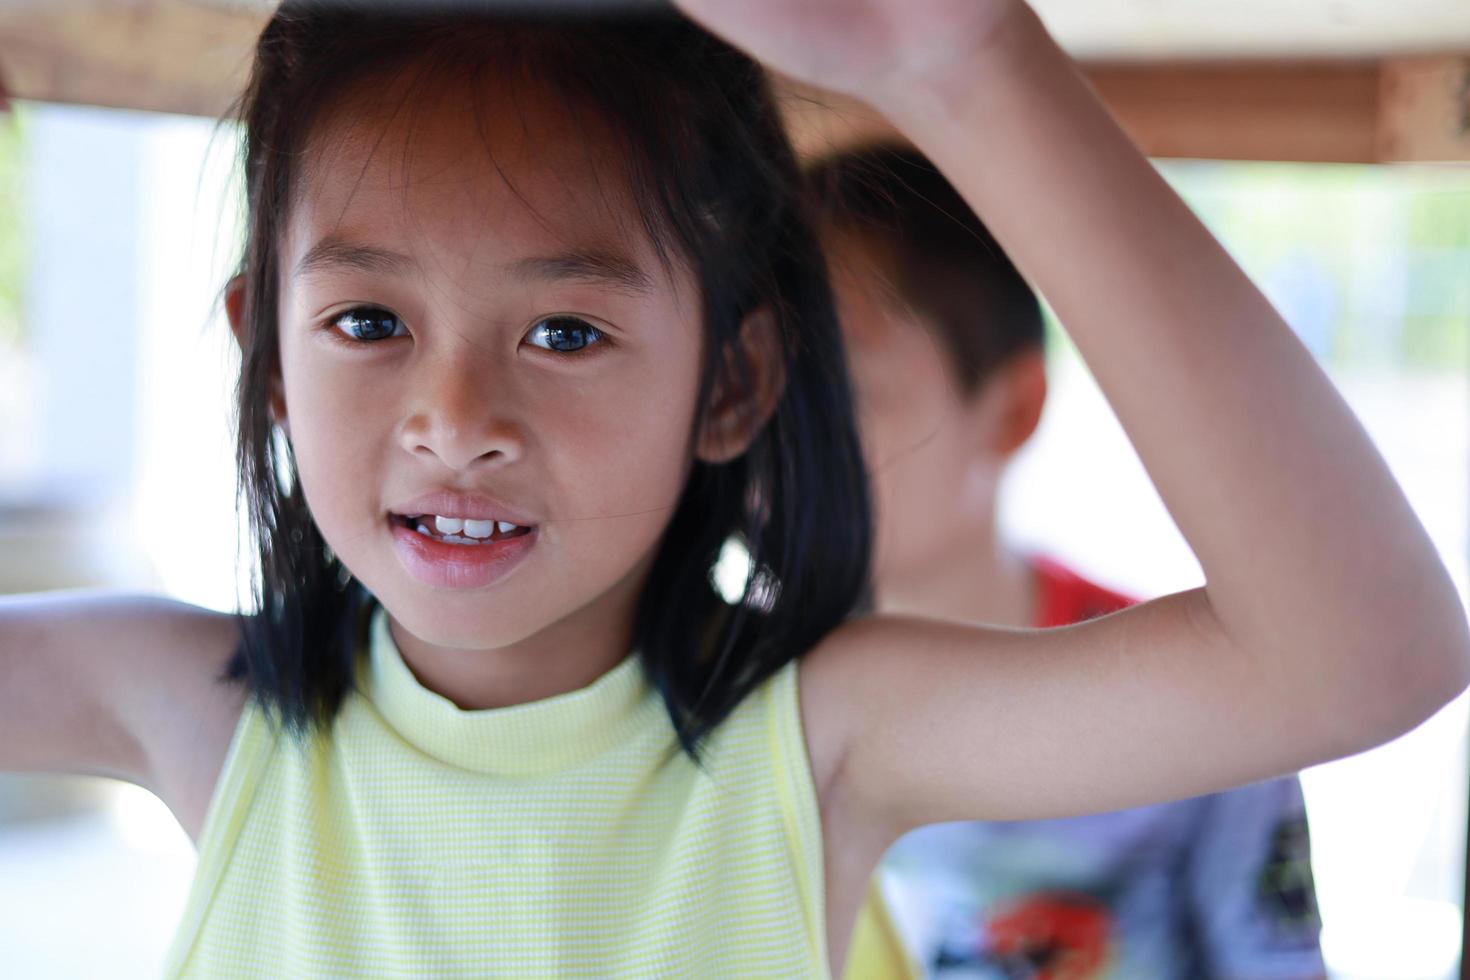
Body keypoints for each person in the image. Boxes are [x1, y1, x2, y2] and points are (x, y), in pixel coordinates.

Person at [0, 1, 1464, 977]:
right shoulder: (193, 701)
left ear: (731, 386)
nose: (454, 420)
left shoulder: (812, 737)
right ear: (267, 357)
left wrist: (970, 68)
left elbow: (1361, 658)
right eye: (368, 323)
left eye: (564, 331)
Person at [812, 144, 1327, 978]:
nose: (780, 447)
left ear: (1013, 408)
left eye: (842, 396)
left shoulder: (1207, 691)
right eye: (751, 388)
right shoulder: (719, 695)